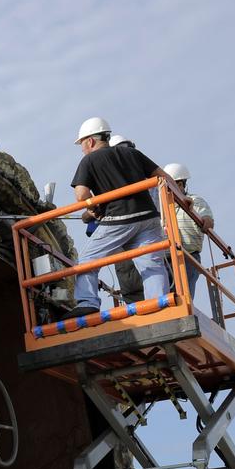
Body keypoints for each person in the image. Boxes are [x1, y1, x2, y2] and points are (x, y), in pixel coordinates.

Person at [68, 117, 179, 318]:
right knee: (151, 264)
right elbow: (164, 178)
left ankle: (87, 302)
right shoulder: (132, 153)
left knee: (87, 261)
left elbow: (81, 195)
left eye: (82, 144)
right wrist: (184, 199)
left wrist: (94, 208)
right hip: (148, 217)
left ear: (90, 141)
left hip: (119, 218)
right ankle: (159, 304)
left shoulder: (89, 160)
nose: (82, 149)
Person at [163, 162, 215, 294]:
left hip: (188, 255)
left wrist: (206, 222)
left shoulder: (195, 201)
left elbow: (208, 221)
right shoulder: (162, 207)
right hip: (165, 257)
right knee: (164, 296)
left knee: (183, 295)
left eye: (173, 184)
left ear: (181, 185)